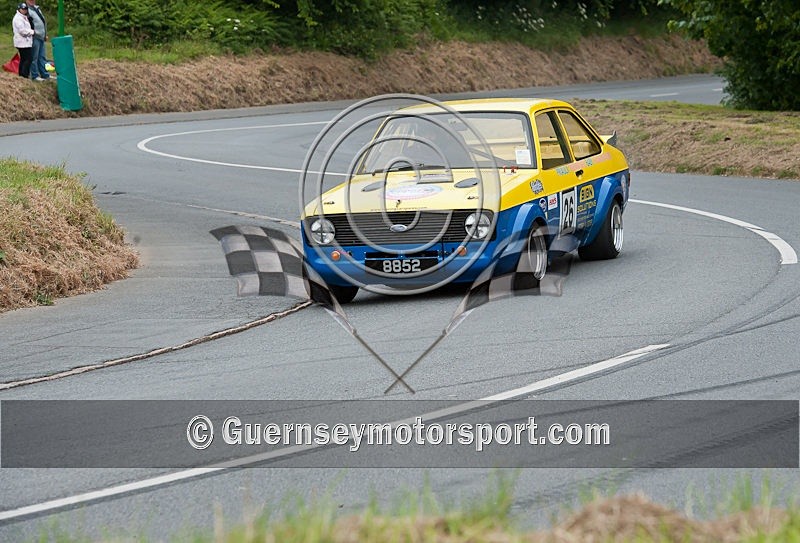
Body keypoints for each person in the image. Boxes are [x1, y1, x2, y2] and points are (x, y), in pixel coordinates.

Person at [25, 0, 51, 81]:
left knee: (42, 57)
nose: (32, 1)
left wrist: (45, 34)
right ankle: (35, 75)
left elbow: (43, 22)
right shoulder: (26, 10)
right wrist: (33, 33)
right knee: (34, 57)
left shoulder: (37, 8)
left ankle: (44, 74)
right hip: (34, 37)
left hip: (41, 36)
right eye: (30, 0)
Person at [12, 3, 33, 79]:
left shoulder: (23, 17)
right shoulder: (18, 18)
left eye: (25, 9)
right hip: (22, 42)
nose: (24, 10)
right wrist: (32, 32)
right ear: (19, 9)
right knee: (28, 58)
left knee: (24, 59)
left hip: (25, 42)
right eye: (23, 9)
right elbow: (22, 31)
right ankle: (24, 75)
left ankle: (21, 75)